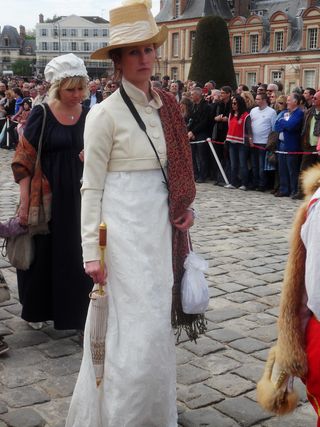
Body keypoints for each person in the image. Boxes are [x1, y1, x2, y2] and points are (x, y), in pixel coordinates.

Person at [66, 1, 199, 426]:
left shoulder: (167, 109)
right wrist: (91, 252)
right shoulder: (103, 115)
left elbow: (172, 178)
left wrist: (184, 211)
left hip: (159, 236)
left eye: (148, 50)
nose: (144, 59)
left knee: (155, 328)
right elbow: (92, 188)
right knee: (130, 334)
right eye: (134, 52)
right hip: (121, 239)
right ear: (119, 61)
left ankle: (154, 414)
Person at [11, 53, 93, 331]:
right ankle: (38, 309)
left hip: (82, 195)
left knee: (77, 254)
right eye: (71, 89)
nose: (77, 94)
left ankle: (77, 311)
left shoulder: (90, 114)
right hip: (47, 197)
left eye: (81, 88)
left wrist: (91, 154)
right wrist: (24, 202)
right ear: (57, 87)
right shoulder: (42, 113)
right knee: (44, 255)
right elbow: (23, 159)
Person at [274, 92, 304, 198]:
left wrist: (283, 123)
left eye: (289, 100)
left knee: (292, 169)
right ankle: (284, 189)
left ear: (295, 102)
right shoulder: (285, 113)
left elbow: (291, 126)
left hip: (292, 145)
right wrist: (284, 123)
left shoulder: (299, 113)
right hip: (282, 144)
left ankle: (294, 190)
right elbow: (276, 126)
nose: (287, 102)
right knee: (282, 169)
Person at [250, 93, 277, 191]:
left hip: (264, 142)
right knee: (254, 164)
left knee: (262, 166)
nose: (256, 101)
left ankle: (262, 184)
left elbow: (273, 128)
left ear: (264, 100)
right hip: (253, 142)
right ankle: (255, 182)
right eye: (256, 99)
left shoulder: (271, 112)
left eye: (258, 99)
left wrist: (271, 143)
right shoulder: (253, 111)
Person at [224, 94, 252, 190]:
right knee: (233, 164)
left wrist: (250, 140)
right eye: (232, 103)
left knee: (243, 164)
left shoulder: (246, 115)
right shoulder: (231, 115)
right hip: (231, 142)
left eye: (235, 103)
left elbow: (249, 129)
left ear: (240, 104)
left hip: (242, 143)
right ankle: (233, 182)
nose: (233, 105)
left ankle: (244, 183)